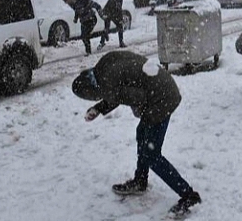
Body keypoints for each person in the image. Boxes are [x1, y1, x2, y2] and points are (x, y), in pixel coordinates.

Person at [71, 51, 201, 218]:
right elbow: (120, 88)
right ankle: (140, 180)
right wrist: (100, 108)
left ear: (92, 93)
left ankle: (189, 196)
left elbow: (137, 97)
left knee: (152, 155)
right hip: (162, 85)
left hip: (161, 99)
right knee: (142, 134)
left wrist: (138, 110)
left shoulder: (106, 84)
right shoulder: (103, 66)